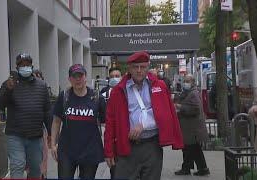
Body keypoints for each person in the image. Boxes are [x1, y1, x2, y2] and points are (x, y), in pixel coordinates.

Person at [104, 51, 184, 180]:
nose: (139, 70)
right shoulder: (118, 91)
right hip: (127, 146)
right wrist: (108, 151)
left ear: (148, 67)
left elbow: (166, 113)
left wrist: (144, 124)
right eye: (136, 67)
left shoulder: (160, 86)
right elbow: (110, 122)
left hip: (152, 146)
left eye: (143, 67)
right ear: (129, 68)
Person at [0, 53, 51, 178]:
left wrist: (51, 134)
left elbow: (47, 110)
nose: (25, 67)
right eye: (22, 65)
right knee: (17, 164)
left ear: (31, 66)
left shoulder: (41, 85)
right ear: (17, 67)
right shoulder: (9, 83)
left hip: (35, 136)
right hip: (15, 135)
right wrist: (7, 89)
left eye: (27, 64)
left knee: (36, 168)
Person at [51, 64, 105, 179]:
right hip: (67, 151)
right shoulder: (64, 96)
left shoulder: (96, 97)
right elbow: (56, 121)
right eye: (74, 76)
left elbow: (107, 123)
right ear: (69, 79)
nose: (78, 79)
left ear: (85, 77)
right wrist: (53, 144)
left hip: (90, 150)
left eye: (80, 76)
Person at [174, 74, 210, 176]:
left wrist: (181, 107)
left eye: (188, 81)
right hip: (190, 128)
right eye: (185, 81)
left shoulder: (193, 93)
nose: (185, 83)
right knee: (191, 148)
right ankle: (195, 168)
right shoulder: (188, 92)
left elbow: (195, 109)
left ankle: (193, 168)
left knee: (191, 148)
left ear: (193, 82)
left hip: (192, 128)